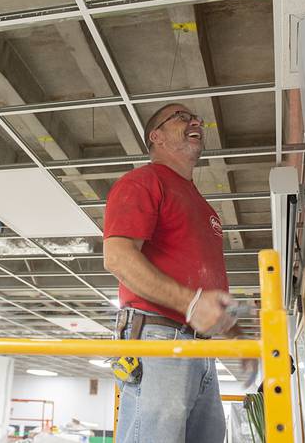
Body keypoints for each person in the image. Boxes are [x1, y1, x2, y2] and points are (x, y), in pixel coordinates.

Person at [103, 103, 239, 443]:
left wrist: (253, 355)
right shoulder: (143, 182)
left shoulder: (205, 207)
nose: (195, 121)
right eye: (182, 117)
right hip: (159, 339)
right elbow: (117, 257)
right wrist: (190, 303)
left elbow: (212, 303)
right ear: (156, 136)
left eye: (196, 119)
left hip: (201, 349)